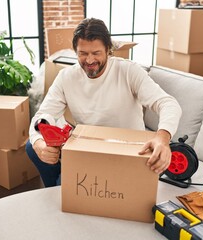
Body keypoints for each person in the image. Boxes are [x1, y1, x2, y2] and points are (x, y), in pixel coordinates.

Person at [26, 18, 182, 187]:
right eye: (83, 53)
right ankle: (56, 189)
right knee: (31, 147)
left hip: (127, 151)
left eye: (96, 53)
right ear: (75, 51)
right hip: (88, 150)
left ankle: (61, 187)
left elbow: (168, 104)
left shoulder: (128, 71)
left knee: (69, 187)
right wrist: (39, 144)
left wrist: (162, 138)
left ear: (108, 50)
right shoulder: (67, 77)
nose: (90, 60)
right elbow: (42, 115)